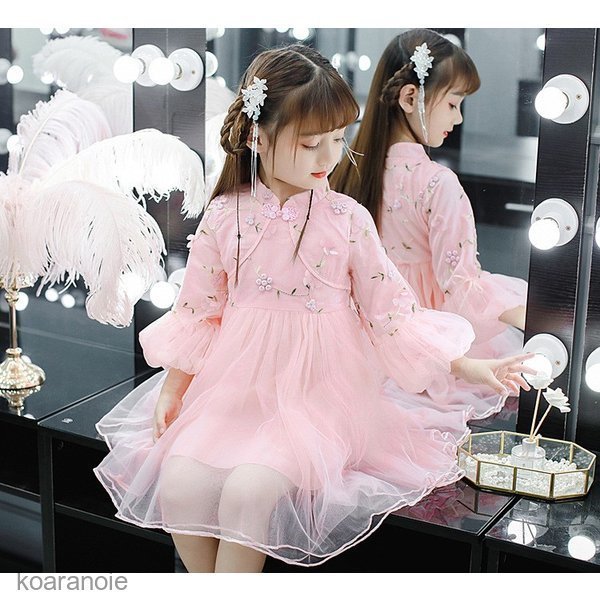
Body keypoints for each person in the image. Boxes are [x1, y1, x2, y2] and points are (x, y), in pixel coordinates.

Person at [94, 44, 532, 572]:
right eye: (311, 143)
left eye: (338, 139)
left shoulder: (346, 220)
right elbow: (199, 313)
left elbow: (392, 316)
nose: (330, 158)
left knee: (250, 492)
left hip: (318, 399)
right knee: (180, 484)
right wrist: (174, 388)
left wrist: (470, 366)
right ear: (256, 137)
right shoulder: (225, 216)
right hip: (234, 392)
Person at [332, 29, 528, 428]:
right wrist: (535, 316)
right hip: (425, 347)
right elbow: (462, 287)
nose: (458, 118)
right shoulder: (437, 184)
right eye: (453, 103)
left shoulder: (345, 171)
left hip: (362, 344)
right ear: (409, 98)